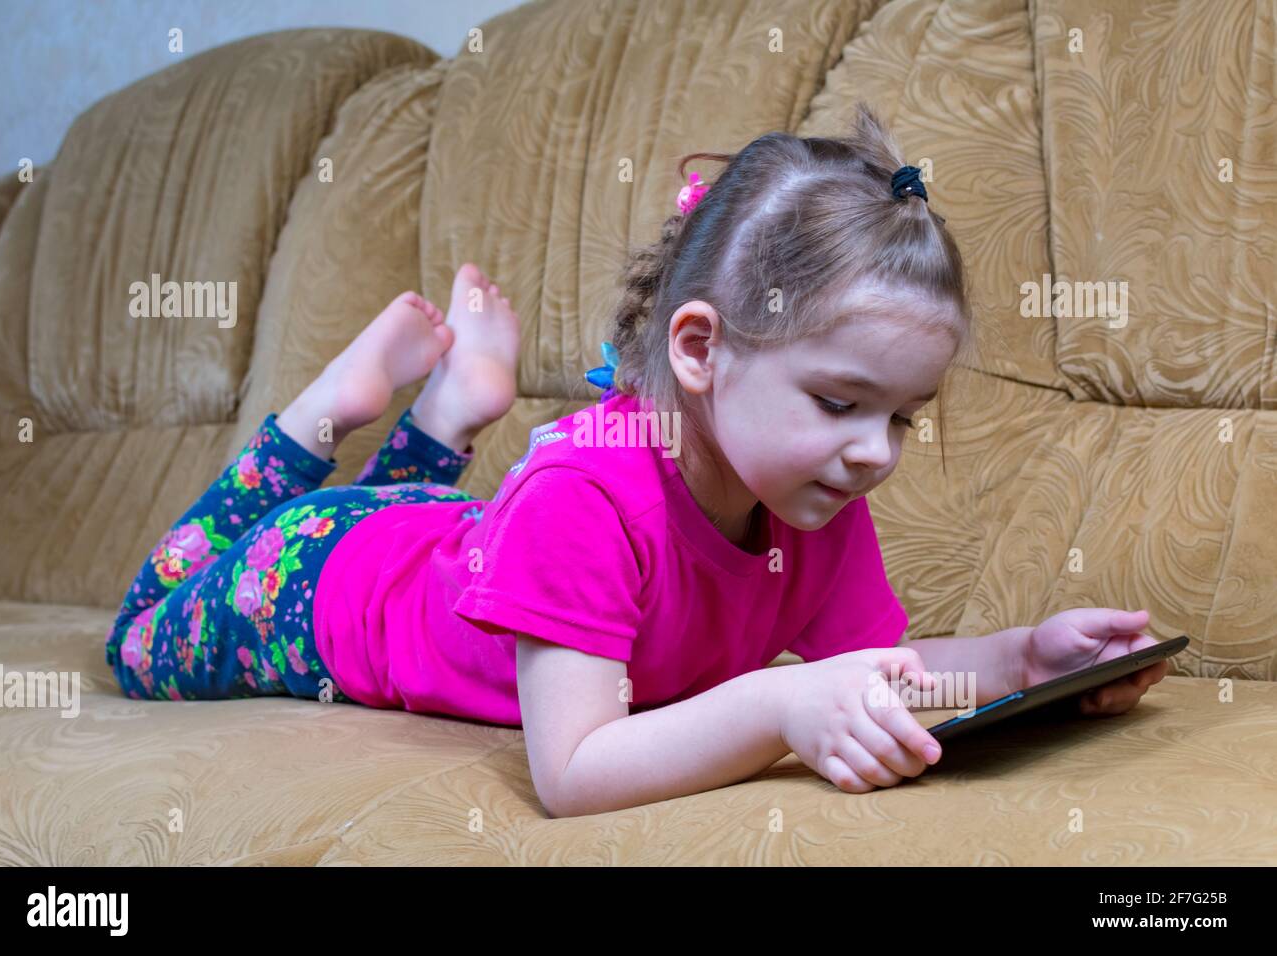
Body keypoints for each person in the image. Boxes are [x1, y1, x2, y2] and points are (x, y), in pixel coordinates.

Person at [106, 103, 1167, 817]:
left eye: (901, 418)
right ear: (699, 348)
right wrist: (774, 704)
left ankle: (441, 419)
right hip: (313, 586)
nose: (872, 453)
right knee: (137, 631)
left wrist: (1027, 660)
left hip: (442, 544)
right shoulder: (584, 497)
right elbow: (570, 771)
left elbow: (888, 669)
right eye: (842, 402)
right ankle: (323, 411)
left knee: (423, 527)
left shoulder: (810, 495)